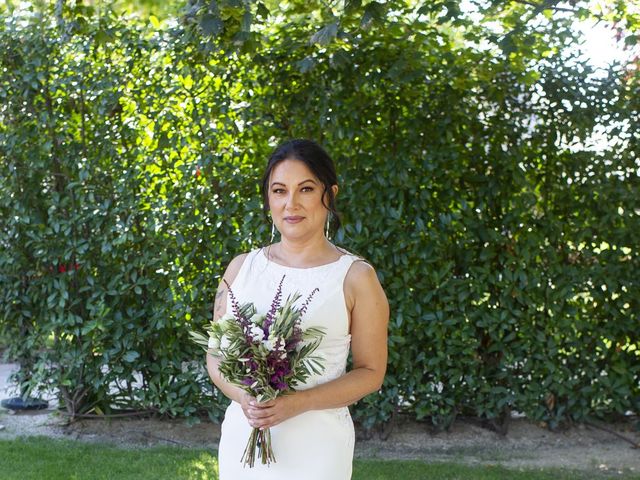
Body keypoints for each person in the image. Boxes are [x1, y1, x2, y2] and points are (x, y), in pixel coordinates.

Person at [206, 139, 389, 479]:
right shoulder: (240, 269)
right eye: (279, 190)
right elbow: (215, 356)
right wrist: (246, 399)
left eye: (306, 189)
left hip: (317, 446)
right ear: (268, 199)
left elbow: (371, 372)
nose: (291, 203)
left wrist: (295, 404)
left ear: (329, 194)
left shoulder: (355, 278)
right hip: (242, 437)